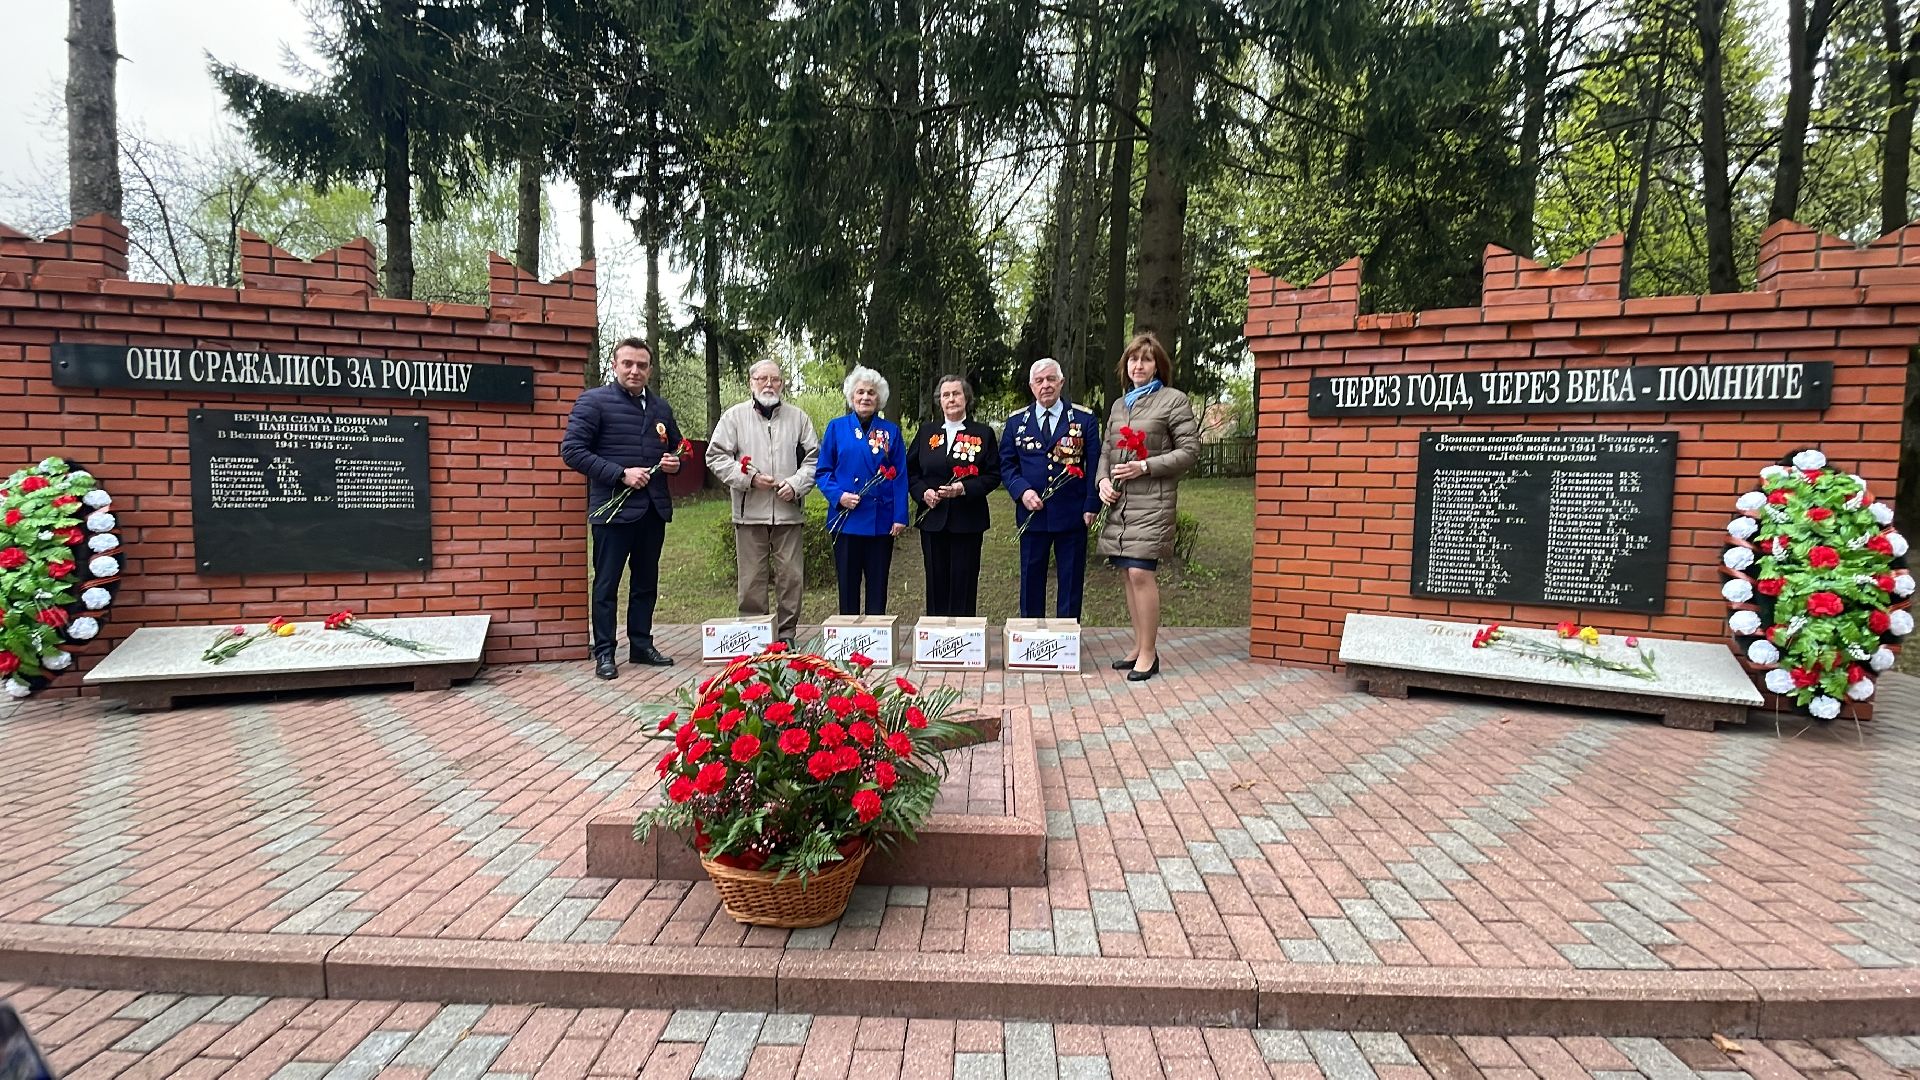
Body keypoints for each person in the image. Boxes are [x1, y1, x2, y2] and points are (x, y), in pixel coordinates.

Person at [561, 337, 683, 680]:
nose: (634, 370)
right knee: (607, 585)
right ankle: (604, 652)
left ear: (649, 369)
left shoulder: (661, 408)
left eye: (641, 365)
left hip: (652, 511)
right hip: (612, 512)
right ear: (614, 366)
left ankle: (641, 645)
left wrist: (676, 462)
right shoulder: (593, 402)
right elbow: (572, 451)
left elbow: (680, 449)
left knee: (646, 582)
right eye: (627, 364)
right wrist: (620, 475)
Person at [1096, 332, 1201, 682]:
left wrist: (1145, 466)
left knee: (1141, 572)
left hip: (1152, 501)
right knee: (1128, 573)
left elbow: (1189, 452)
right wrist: (1103, 482)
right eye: (1133, 360)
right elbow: (1106, 452)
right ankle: (1139, 643)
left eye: (1146, 359)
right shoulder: (1119, 405)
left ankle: (1150, 653)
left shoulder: (1173, 400)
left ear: (1158, 365)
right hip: (1121, 503)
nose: (1138, 366)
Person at [706, 361, 819, 647]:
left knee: (791, 577)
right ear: (751, 382)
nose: (769, 384)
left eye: (775, 379)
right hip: (748, 512)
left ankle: (786, 634)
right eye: (762, 379)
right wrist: (749, 477)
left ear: (782, 384)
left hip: (788, 512)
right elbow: (716, 456)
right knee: (752, 578)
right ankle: (754, 633)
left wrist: (795, 485)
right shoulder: (733, 418)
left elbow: (814, 459)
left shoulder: (799, 418)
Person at [1001, 357, 1101, 620]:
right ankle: (1032, 637)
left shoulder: (1084, 419)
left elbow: (1094, 464)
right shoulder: (1015, 423)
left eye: (1051, 379)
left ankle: (1066, 638)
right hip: (1032, 514)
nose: (1045, 385)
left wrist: (1092, 504)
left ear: (1061, 383)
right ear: (1031, 386)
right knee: (1031, 578)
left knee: (1070, 579)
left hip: (1072, 513)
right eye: (1039, 380)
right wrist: (1022, 491)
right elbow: (1007, 465)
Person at [817, 366, 909, 616]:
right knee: (848, 585)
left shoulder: (890, 431)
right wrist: (839, 496)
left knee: (878, 585)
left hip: (880, 520)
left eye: (871, 393)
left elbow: (900, 474)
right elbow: (823, 471)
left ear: (879, 399)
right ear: (851, 396)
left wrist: (900, 516)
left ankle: (876, 638)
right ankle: (849, 639)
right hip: (846, 520)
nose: (865, 397)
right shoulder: (836, 428)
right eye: (860, 392)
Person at [907, 374, 1002, 617]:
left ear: (966, 398)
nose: (951, 399)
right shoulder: (927, 432)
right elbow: (911, 471)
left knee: (965, 580)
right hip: (933, 518)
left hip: (968, 519)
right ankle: (938, 639)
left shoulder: (983, 433)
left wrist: (964, 488)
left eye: (956, 394)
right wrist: (922, 493)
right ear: (940, 401)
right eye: (946, 395)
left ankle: (964, 638)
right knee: (936, 580)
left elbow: (993, 475)